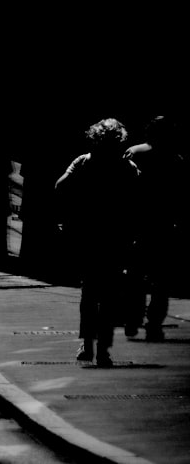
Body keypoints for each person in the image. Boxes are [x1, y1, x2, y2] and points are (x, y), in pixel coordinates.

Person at [55, 117, 140, 367]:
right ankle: (104, 349)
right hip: (116, 236)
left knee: (89, 293)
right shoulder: (128, 167)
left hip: (87, 235)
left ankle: (88, 345)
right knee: (110, 294)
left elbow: (60, 186)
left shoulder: (83, 161)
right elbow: (137, 203)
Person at [123, 116, 186, 341]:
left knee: (135, 276)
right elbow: (180, 197)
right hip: (164, 225)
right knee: (161, 279)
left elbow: (123, 188)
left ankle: (132, 317)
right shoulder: (176, 159)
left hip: (136, 222)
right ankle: (154, 322)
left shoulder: (134, 153)